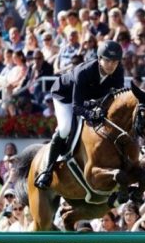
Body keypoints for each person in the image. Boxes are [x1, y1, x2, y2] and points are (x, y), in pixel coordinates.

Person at [34, 40, 125, 189]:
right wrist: (92, 114)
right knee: (64, 129)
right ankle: (47, 170)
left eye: (115, 62)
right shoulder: (84, 72)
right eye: (108, 60)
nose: (111, 65)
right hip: (65, 97)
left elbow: (117, 98)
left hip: (91, 98)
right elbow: (77, 107)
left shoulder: (118, 71)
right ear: (99, 59)